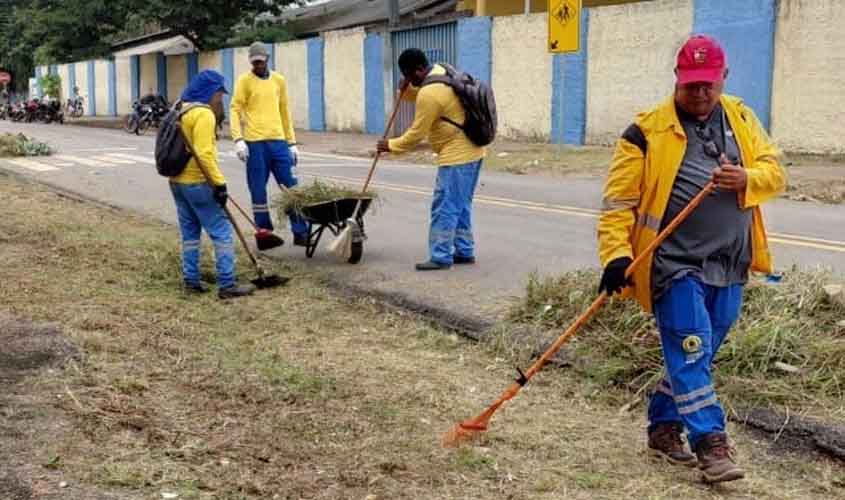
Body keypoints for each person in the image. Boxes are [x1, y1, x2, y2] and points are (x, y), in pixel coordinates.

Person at [597, 35, 785, 483]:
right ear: (677, 80)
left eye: (708, 85)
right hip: (674, 264)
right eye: (690, 85)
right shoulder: (644, 132)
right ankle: (711, 445)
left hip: (731, 260)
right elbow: (617, 203)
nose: (700, 94)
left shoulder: (740, 117)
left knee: (696, 354)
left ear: (724, 78)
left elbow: (775, 171)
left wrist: (747, 177)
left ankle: (663, 427)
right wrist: (616, 257)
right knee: (691, 346)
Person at [376, 48, 485, 271]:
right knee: (460, 205)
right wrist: (404, 92)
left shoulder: (430, 93)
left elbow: (416, 134)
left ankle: (441, 256)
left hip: (457, 155)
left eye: (408, 76)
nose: (408, 80)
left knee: (444, 206)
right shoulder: (441, 70)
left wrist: (390, 145)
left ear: (418, 70)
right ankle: (465, 251)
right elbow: (425, 95)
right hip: (474, 150)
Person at [170, 70, 255, 299]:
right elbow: (204, 154)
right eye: (219, 93)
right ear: (210, 91)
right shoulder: (203, 114)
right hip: (198, 182)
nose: (220, 99)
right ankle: (227, 284)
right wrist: (220, 184)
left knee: (190, 234)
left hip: (177, 182)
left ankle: (191, 280)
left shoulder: (181, 109)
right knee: (222, 232)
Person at [230, 41, 307, 248]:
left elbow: (284, 112)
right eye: (254, 63)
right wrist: (238, 139)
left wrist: (291, 142)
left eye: (261, 62)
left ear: (268, 60)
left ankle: (301, 231)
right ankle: (264, 234)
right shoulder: (244, 81)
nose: (258, 66)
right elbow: (235, 109)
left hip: (279, 142)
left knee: (291, 188)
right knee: (258, 191)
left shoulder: (279, 81)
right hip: (255, 144)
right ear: (250, 62)